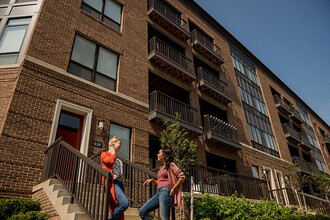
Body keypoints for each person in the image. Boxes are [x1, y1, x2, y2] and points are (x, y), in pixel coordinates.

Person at [139, 147, 185, 220]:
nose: (157, 155)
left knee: (164, 218)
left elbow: (182, 177)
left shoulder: (171, 165)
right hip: (158, 193)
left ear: (164, 156)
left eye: (159, 153)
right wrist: (152, 180)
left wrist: (173, 188)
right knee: (142, 212)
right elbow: (161, 183)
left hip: (166, 192)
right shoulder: (161, 167)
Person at [101, 136, 129, 220]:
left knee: (119, 205)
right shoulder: (104, 154)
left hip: (120, 183)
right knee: (125, 204)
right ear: (113, 143)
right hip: (113, 182)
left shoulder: (116, 157)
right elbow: (109, 161)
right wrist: (112, 153)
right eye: (119, 143)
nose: (121, 146)